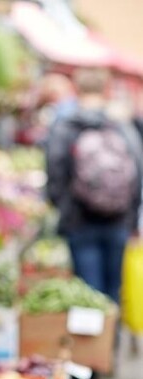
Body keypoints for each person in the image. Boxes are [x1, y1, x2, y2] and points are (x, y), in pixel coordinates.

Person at [45, 67, 143, 304]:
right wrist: (131, 214)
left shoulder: (66, 124)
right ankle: (111, 339)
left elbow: (55, 169)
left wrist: (63, 206)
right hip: (118, 219)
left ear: (77, 88)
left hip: (79, 220)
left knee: (88, 292)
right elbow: (138, 168)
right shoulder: (120, 125)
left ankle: (90, 339)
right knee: (113, 288)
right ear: (107, 89)